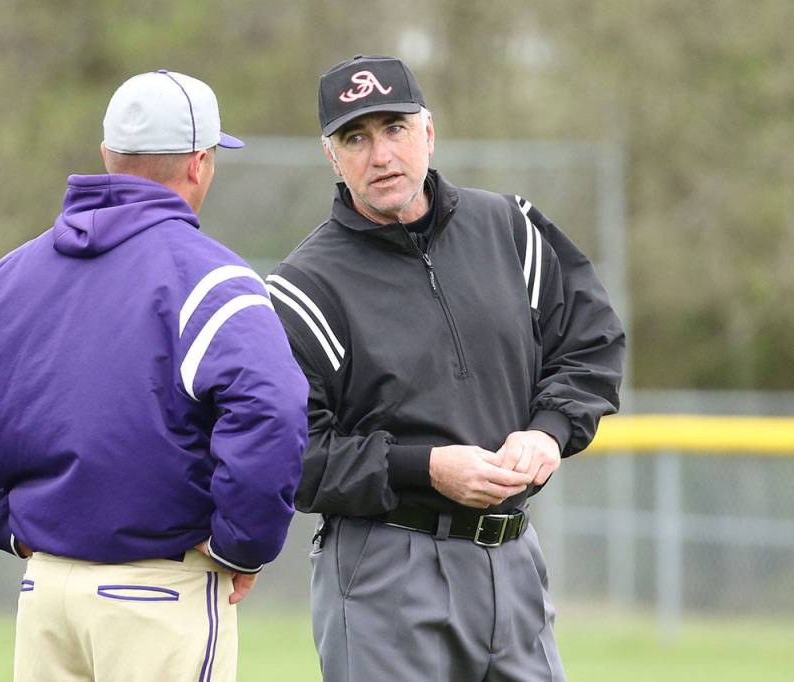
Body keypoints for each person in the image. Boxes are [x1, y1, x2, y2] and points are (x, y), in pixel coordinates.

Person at [0, 70, 309, 682]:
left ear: (107, 154)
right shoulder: (211, 279)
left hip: (46, 596)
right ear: (199, 163)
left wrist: (2, 525)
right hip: (160, 590)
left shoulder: (1, 283)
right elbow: (273, 409)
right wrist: (241, 544)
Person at [267, 55, 625, 681]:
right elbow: (293, 454)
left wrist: (549, 429)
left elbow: (589, 342)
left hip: (511, 558)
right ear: (333, 156)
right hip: (385, 567)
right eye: (356, 137)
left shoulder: (509, 229)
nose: (381, 155)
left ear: (428, 132)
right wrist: (426, 467)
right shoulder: (305, 286)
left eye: (395, 129)